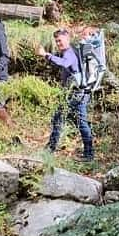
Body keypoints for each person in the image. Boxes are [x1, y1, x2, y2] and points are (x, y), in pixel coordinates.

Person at [37, 28, 94, 162]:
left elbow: (64, 63)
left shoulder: (69, 53)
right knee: (81, 123)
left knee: (59, 118)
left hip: (75, 94)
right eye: (56, 41)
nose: (58, 43)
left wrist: (46, 55)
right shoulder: (71, 52)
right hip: (80, 92)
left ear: (67, 40)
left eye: (60, 40)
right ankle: (88, 154)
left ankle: (50, 150)